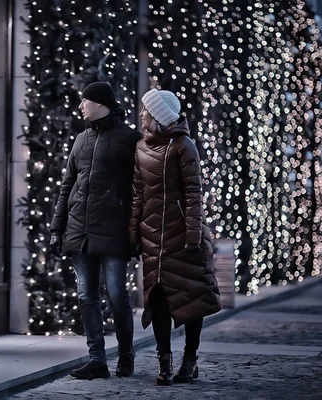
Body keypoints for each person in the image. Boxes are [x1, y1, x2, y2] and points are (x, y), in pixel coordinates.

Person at [49, 81, 142, 380]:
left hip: (113, 231)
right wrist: (56, 228)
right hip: (79, 231)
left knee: (117, 295)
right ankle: (97, 359)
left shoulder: (130, 139)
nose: (80, 107)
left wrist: (136, 233)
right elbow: (67, 186)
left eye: (84, 101)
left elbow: (141, 190)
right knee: (86, 296)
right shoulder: (80, 140)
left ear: (100, 103)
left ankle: (126, 356)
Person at [129, 88, 222, 386]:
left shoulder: (185, 147)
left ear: (157, 115)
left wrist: (193, 237)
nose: (142, 114)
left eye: (146, 110)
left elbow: (194, 194)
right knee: (158, 301)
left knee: (190, 296)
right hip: (152, 238)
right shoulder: (141, 148)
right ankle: (164, 360)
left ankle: (190, 359)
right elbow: (137, 195)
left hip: (183, 238)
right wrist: (133, 234)